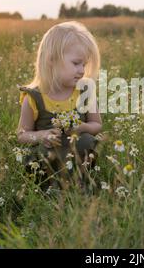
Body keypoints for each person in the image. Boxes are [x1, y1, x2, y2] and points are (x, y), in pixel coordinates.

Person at [16, 21, 102, 190]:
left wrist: (82, 127)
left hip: (77, 155)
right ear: (51, 60)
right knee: (38, 155)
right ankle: (45, 189)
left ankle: (82, 185)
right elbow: (21, 135)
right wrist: (43, 135)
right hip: (48, 161)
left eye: (84, 64)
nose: (82, 70)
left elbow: (97, 125)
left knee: (86, 141)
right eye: (76, 63)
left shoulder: (85, 92)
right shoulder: (34, 97)